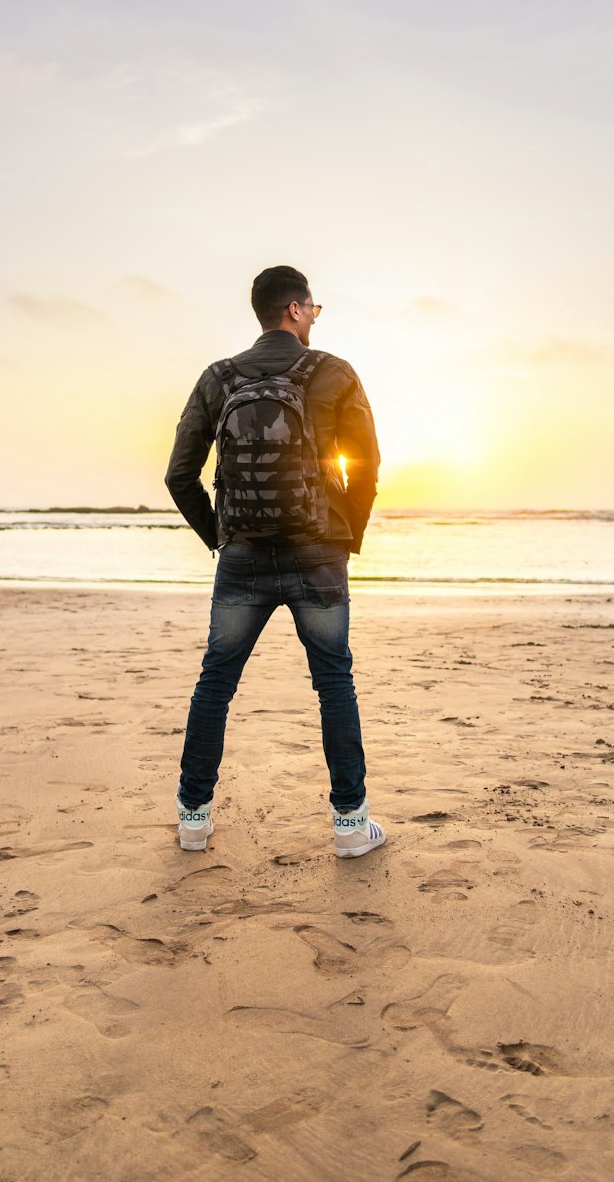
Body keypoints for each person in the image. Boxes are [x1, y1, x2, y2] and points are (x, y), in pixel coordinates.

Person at [165, 265, 386, 859]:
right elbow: (365, 465)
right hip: (319, 553)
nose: (316, 316)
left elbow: (179, 474)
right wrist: (346, 534)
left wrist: (222, 534)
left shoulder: (219, 377)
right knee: (333, 682)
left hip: (243, 556)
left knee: (216, 683)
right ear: (294, 309)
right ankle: (349, 826)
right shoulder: (333, 373)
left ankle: (193, 820)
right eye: (314, 307)